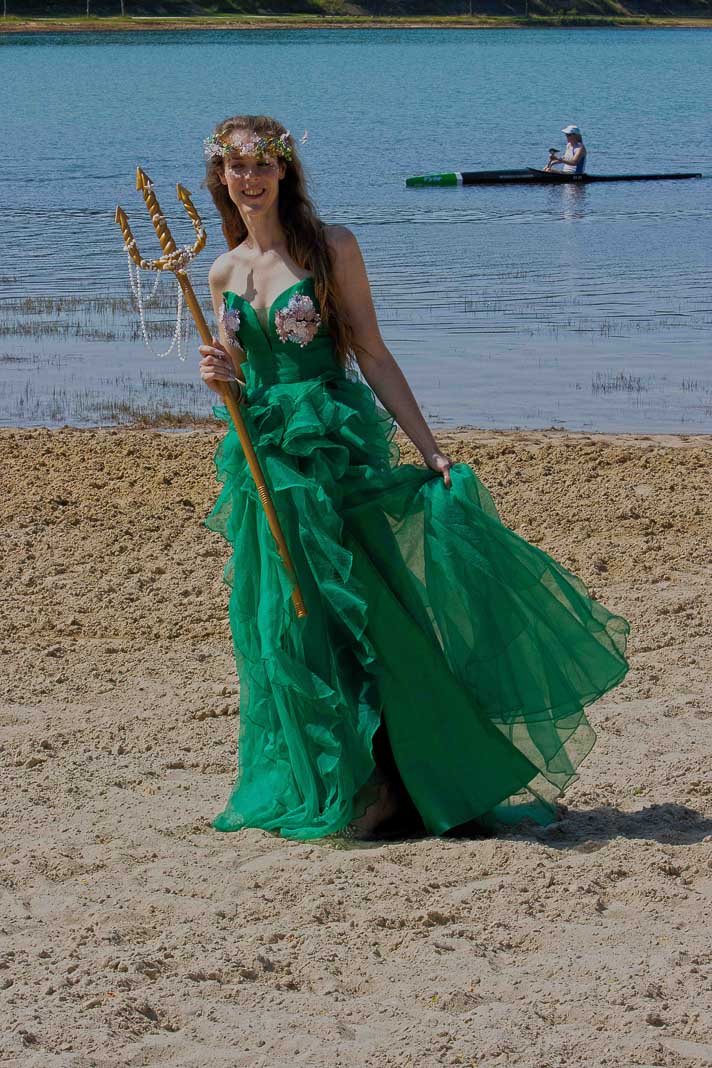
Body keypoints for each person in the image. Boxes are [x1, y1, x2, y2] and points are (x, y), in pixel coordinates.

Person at [198, 114, 629, 843]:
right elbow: (240, 375)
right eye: (237, 167)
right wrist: (218, 376)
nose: (250, 179)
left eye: (262, 165)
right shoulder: (223, 270)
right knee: (293, 624)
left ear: (285, 170)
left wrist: (429, 450)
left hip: (333, 450)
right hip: (267, 463)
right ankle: (344, 781)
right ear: (221, 177)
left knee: (370, 614)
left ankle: (417, 781)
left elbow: (371, 351)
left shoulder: (331, 247)